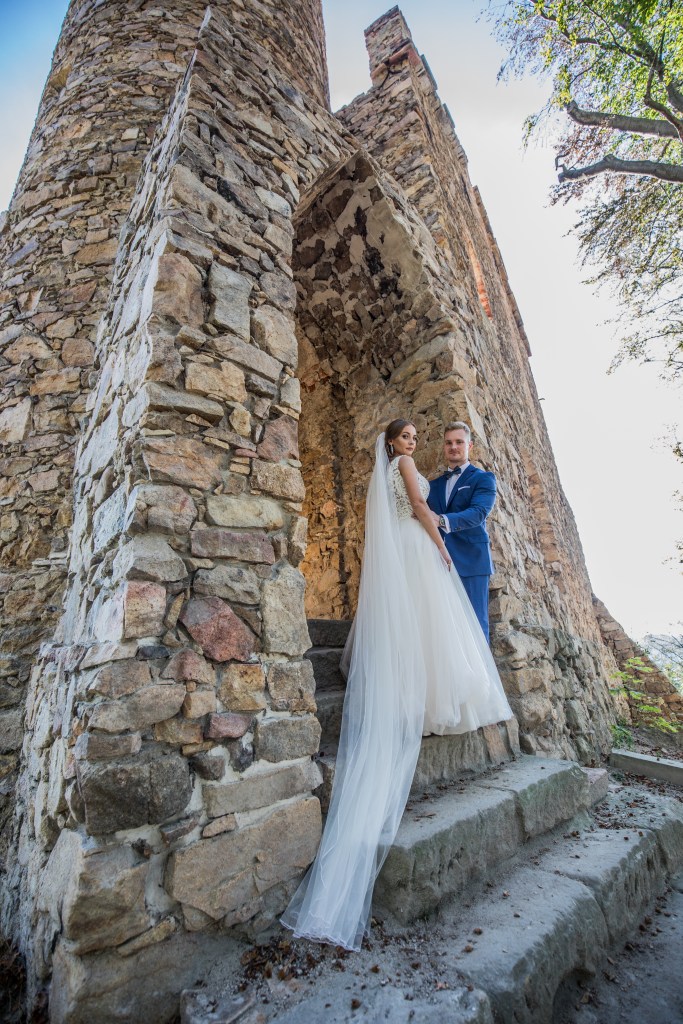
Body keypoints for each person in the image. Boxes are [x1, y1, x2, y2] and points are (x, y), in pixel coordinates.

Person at [281, 419, 512, 952]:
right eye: (409, 436)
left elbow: (469, 512)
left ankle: (426, 694)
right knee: (432, 628)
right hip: (420, 545)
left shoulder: (453, 475)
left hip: (425, 548)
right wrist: (440, 543)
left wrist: (440, 528)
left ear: (466, 447)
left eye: (429, 439)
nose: (417, 443)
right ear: (393, 443)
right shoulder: (409, 467)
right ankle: (434, 699)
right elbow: (422, 510)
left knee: (431, 629)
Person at [427, 422, 495, 641]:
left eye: (459, 442)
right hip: (438, 563)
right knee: (446, 627)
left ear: (470, 446)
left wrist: (441, 520)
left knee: (475, 625)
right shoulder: (432, 486)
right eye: (448, 443)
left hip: (471, 561)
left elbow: (478, 513)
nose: (453, 447)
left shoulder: (483, 478)